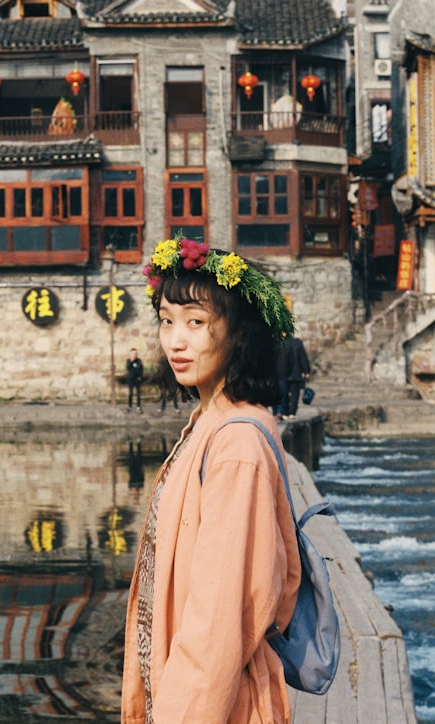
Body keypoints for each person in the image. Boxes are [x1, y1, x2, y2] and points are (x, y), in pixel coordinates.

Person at [122, 237, 302, 722]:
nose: (175, 341)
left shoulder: (235, 446)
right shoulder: (210, 422)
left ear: (239, 334)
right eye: (166, 321)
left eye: (196, 323)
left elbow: (218, 618)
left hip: (216, 705)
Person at [282, 336, 311, 420]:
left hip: (285, 373)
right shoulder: (297, 343)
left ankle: (285, 412)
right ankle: (292, 412)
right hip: (296, 373)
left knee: (285, 393)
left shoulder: (282, 343)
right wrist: (306, 371)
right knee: (295, 393)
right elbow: (303, 358)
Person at [125, 348, 144, 412]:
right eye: (133, 353)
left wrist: (140, 377)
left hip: (137, 379)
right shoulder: (128, 360)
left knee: (138, 394)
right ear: (130, 354)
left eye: (135, 353)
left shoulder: (139, 361)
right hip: (130, 379)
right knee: (130, 393)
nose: (134, 354)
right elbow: (128, 367)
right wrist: (132, 361)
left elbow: (141, 369)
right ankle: (129, 406)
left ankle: (138, 406)